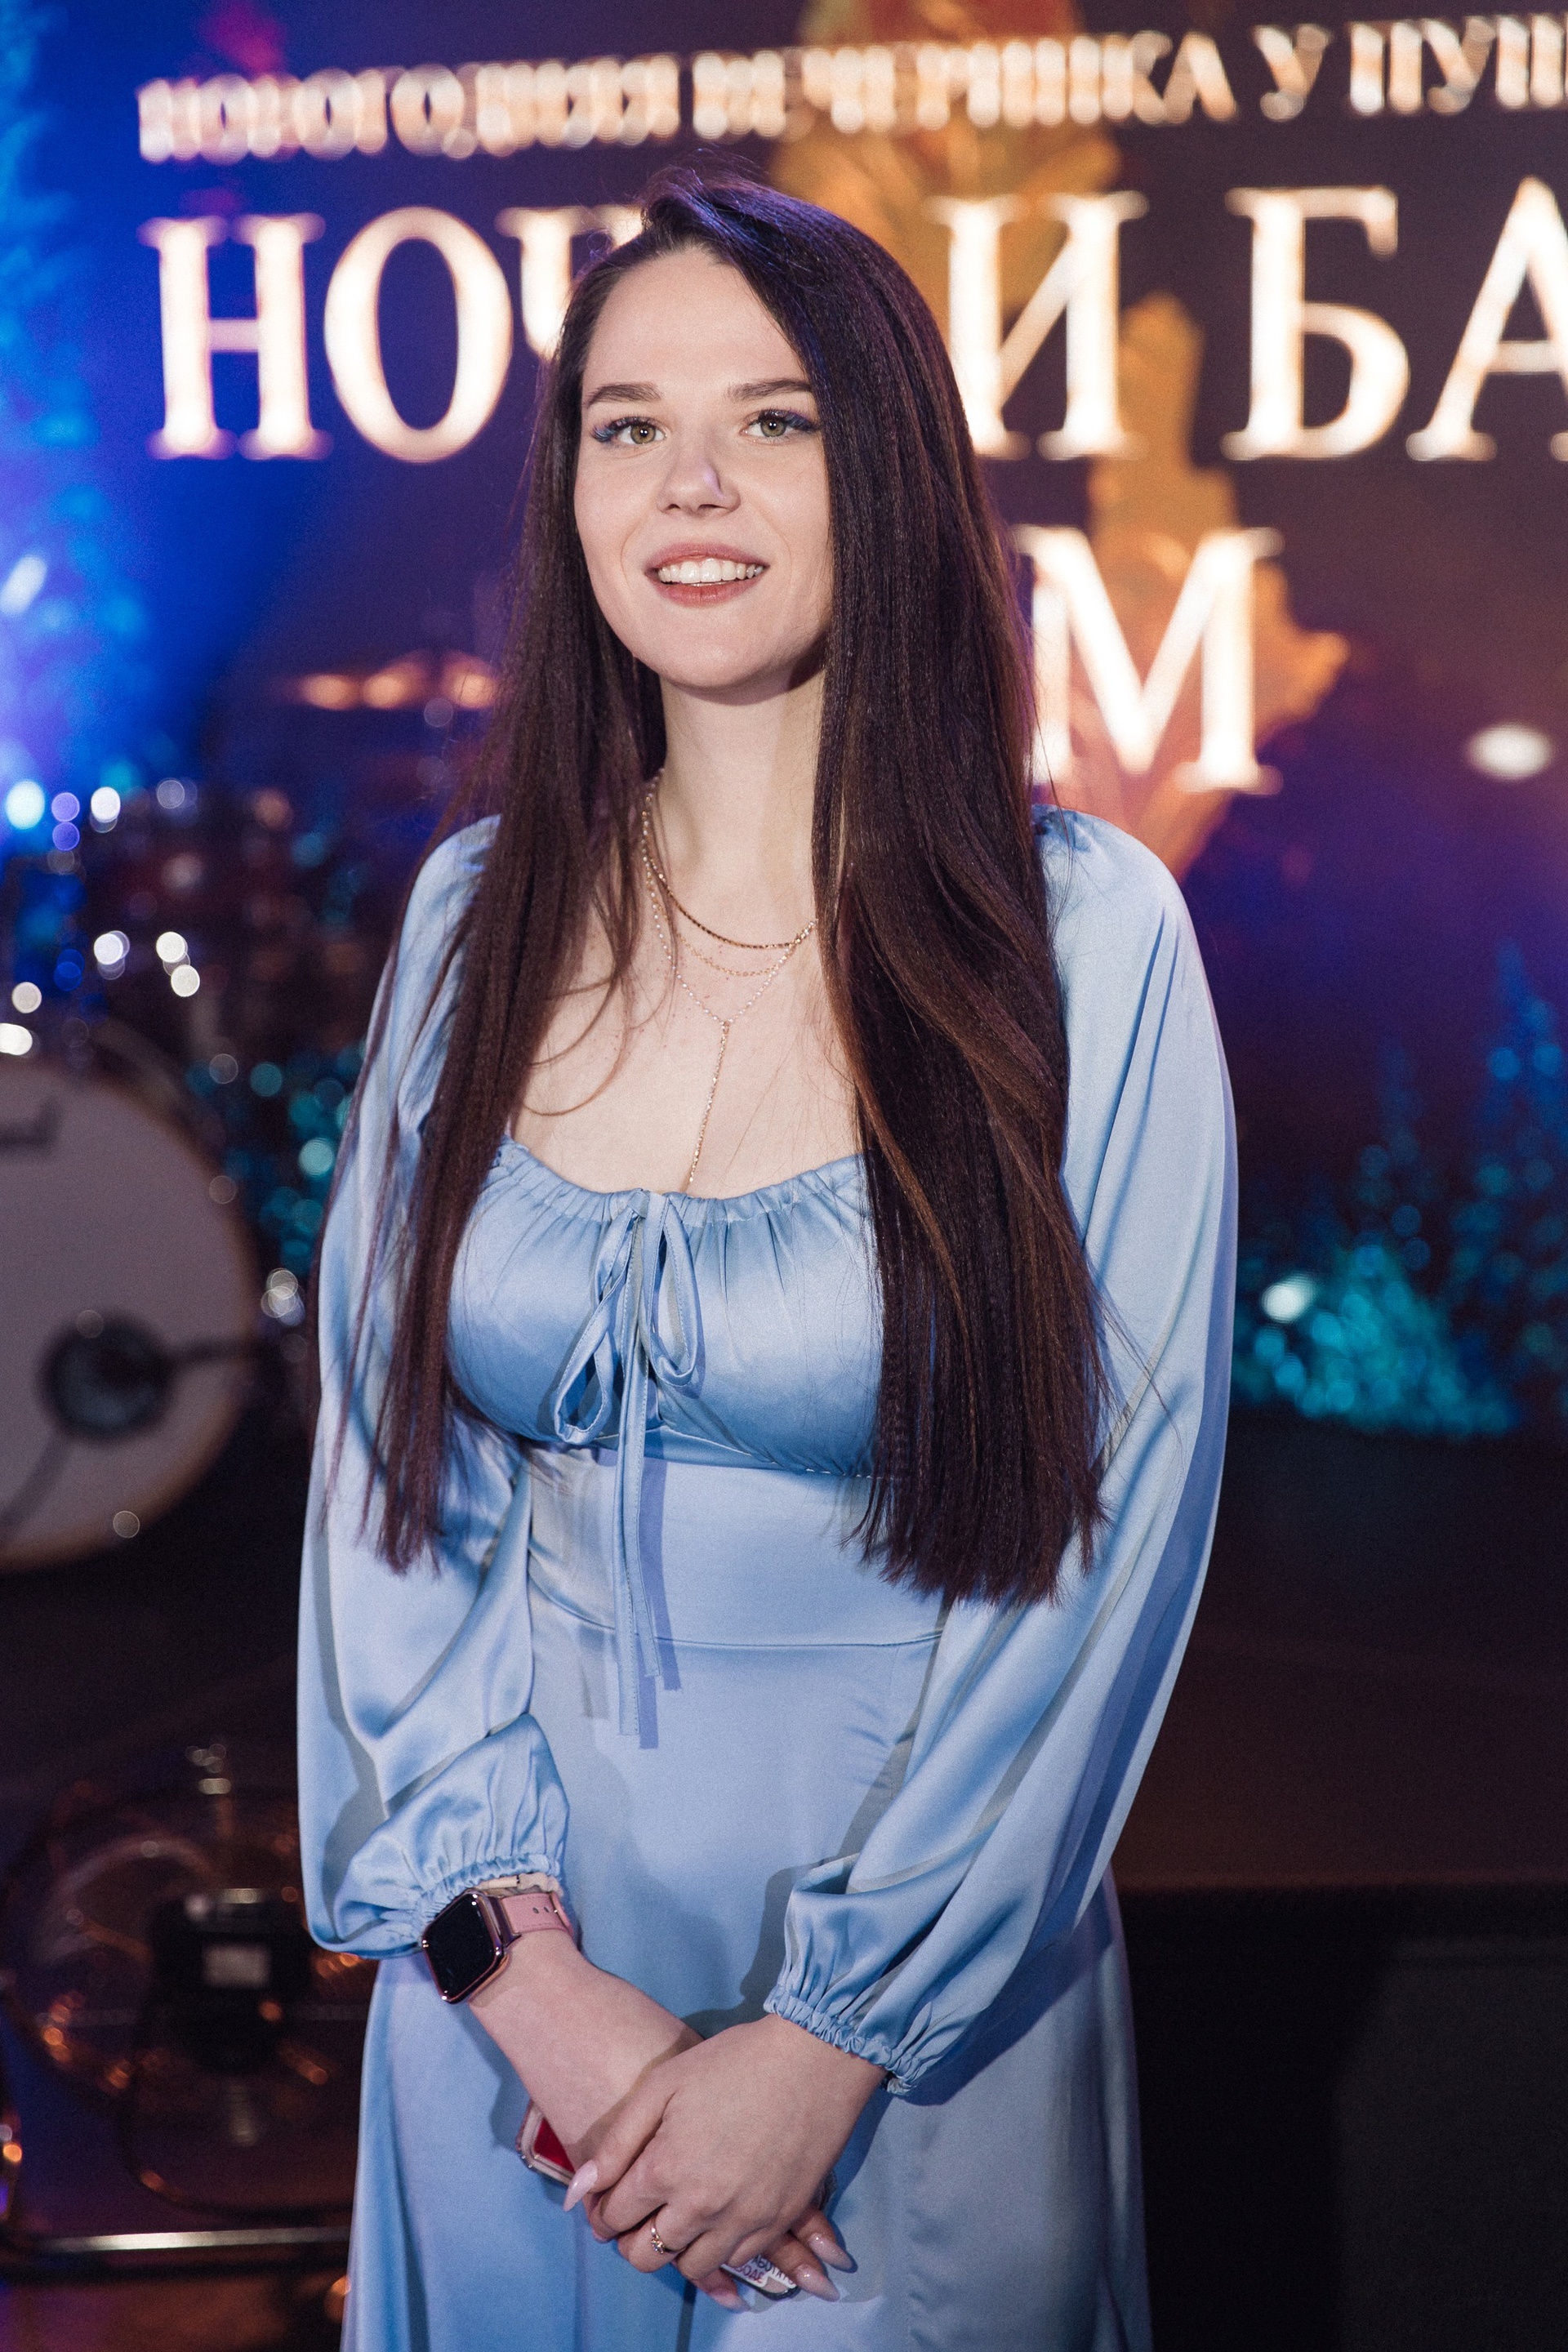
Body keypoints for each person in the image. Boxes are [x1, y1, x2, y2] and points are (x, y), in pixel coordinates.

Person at [298, 166, 1235, 2352]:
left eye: (775, 419)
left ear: (886, 468)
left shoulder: (1082, 938)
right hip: (516, 2019)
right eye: (628, 425)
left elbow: (1103, 1548)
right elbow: (388, 1495)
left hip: (908, 2028)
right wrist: (520, 1975)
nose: (690, 485)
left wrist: (829, 2041)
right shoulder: (475, 915)